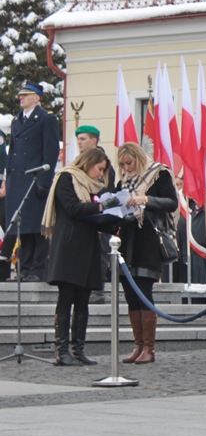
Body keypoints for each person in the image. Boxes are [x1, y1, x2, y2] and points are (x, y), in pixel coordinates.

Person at [42, 148, 117, 366]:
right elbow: (73, 208)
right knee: (66, 298)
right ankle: (62, 350)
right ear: (89, 162)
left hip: (89, 246)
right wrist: (101, 206)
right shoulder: (67, 177)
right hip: (68, 246)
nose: (100, 174)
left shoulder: (95, 187)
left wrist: (115, 218)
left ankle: (78, 349)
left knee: (83, 300)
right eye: (99, 169)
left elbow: (94, 215)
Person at [116, 142, 179, 365]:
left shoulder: (159, 174)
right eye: (123, 165)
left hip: (149, 239)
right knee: (130, 295)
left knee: (143, 291)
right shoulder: (123, 181)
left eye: (129, 163)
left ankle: (149, 348)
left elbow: (171, 203)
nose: (127, 168)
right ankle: (138, 345)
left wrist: (146, 200)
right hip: (127, 241)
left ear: (139, 158)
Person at [0, 81, 59, 282]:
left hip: (34, 180)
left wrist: (44, 181)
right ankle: (24, 269)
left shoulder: (46, 119)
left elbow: (50, 153)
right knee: (22, 228)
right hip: (18, 181)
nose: (21, 97)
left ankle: (37, 270)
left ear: (37, 97)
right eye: (20, 95)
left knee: (36, 229)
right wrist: (8, 179)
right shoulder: (17, 120)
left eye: (26, 94)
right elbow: (12, 153)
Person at [75, 124, 116, 304]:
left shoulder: (104, 164)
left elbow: (107, 191)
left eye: (83, 139)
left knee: (99, 254)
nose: (79, 142)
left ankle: (98, 290)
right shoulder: (79, 163)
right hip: (82, 216)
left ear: (94, 141)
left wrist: (99, 213)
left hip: (98, 215)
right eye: (78, 139)